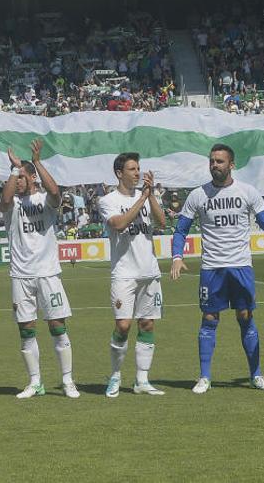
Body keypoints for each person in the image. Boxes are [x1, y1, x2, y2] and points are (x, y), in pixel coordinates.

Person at [170, 143, 264, 393]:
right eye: (212, 161)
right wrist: (176, 256)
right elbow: (181, 229)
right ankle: (204, 377)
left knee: (245, 317)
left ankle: (256, 375)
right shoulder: (197, 195)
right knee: (209, 318)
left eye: (220, 161)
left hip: (240, 267)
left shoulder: (248, 192)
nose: (214, 165)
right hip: (212, 268)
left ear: (231, 164)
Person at [0, 139, 79, 399]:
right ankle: (35, 382)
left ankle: (67, 380)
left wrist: (36, 162)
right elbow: (5, 199)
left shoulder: (44, 200)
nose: (19, 181)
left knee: (57, 325)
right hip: (21, 275)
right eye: (17, 177)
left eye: (23, 177)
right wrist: (14, 169)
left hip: (47, 273)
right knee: (26, 329)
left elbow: (56, 193)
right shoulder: (12, 206)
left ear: (32, 177)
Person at [98, 153, 166, 397]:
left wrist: (151, 197)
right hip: (124, 273)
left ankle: (142, 380)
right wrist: (143, 199)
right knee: (123, 325)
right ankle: (115, 375)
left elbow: (161, 222)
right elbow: (118, 224)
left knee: (147, 324)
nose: (137, 173)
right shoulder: (108, 200)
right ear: (119, 173)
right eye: (132, 169)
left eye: (139, 168)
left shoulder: (145, 196)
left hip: (149, 270)